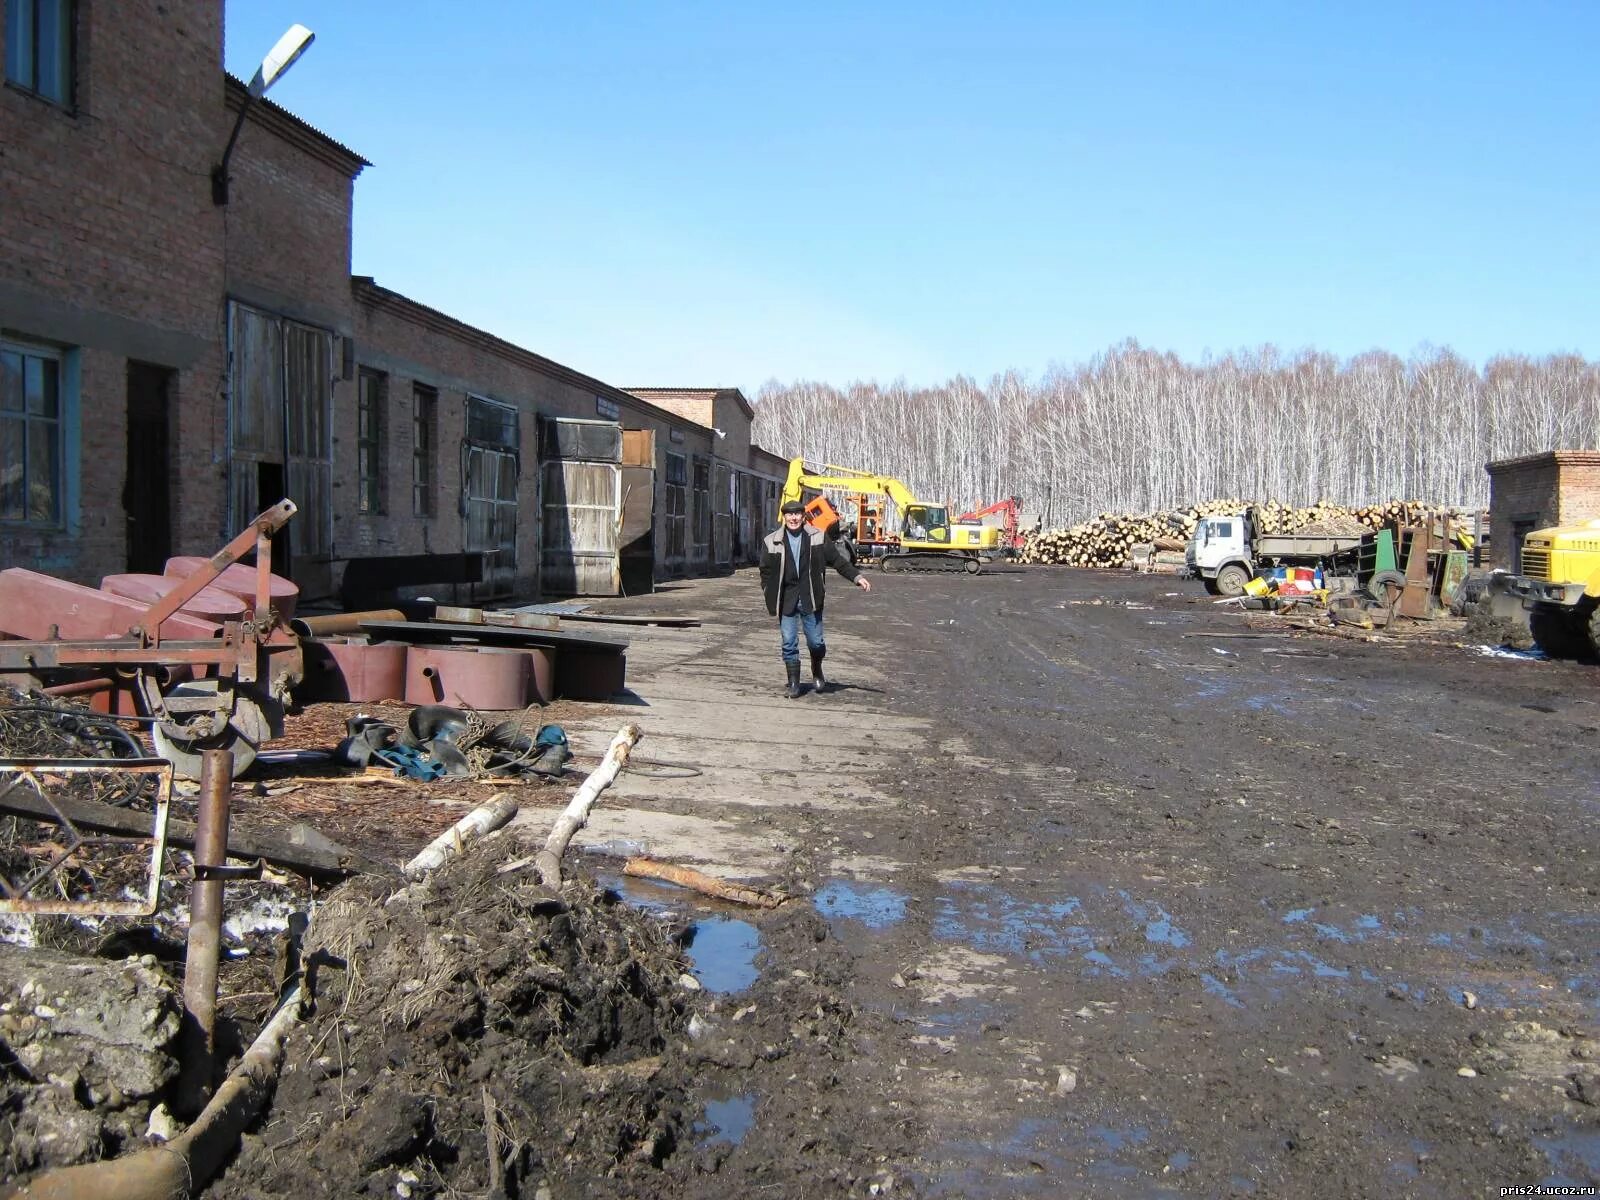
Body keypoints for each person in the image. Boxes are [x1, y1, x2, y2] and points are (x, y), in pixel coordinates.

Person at [760, 500, 871, 697]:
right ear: (784, 517)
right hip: (786, 598)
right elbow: (765, 571)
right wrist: (768, 590)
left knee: (816, 643)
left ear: (804, 517)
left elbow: (838, 561)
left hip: (810, 596)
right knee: (788, 641)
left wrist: (857, 577)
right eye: (789, 514)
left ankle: (817, 668)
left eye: (797, 514)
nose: (793, 518)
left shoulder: (818, 538)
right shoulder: (772, 541)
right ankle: (793, 683)